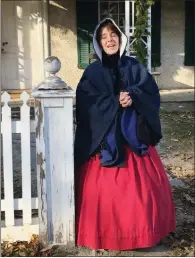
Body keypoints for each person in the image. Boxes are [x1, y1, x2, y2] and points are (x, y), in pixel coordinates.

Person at [74, 18, 176, 252]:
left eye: (113, 34)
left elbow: (150, 93)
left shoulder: (134, 65)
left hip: (133, 138)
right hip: (105, 142)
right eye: (104, 36)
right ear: (98, 42)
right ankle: (107, 236)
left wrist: (133, 96)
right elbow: (86, 103)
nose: (109, 39)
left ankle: (143, 234)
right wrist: (113, 101)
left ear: (120, 38)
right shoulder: (92, 71)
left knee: (143, 191)